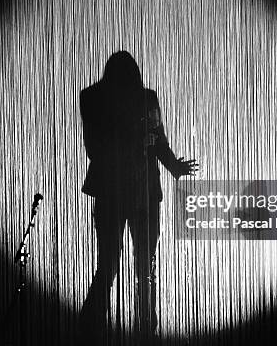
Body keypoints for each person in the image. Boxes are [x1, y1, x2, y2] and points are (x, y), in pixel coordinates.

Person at [78, 51, 198, 344]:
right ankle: (103, 329)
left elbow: (157, 140)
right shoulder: (97, 98)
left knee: (139, 263)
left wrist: (174, 167)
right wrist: (146, 145)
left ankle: (138, 329)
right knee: (119, 263)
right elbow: (96, 147)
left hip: (137, 192)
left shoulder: (130, 98)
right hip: (118, 191)